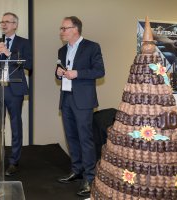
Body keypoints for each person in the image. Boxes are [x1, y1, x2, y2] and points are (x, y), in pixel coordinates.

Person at [55, 16, 105, 197]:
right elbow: (60, 70)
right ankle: (77, 171)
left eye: (64, 28)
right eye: (61, 28)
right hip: (66, 98)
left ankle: (90, 178)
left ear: (75, 29)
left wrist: (77, 73)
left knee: (85, 139)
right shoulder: (62, 50)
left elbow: (99, 71)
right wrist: (59, 73)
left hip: (83, 100)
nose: (61, 31)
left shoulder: (92, 47)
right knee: (71, 137)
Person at [0, 12, 33, 176]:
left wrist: (9, 54)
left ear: (15, 25)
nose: (3, 24)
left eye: (7, 22)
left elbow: (30, 64)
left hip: (15, 90)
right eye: (2, 22)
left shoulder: (24, 43)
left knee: (15, 125)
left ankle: (14, 161)